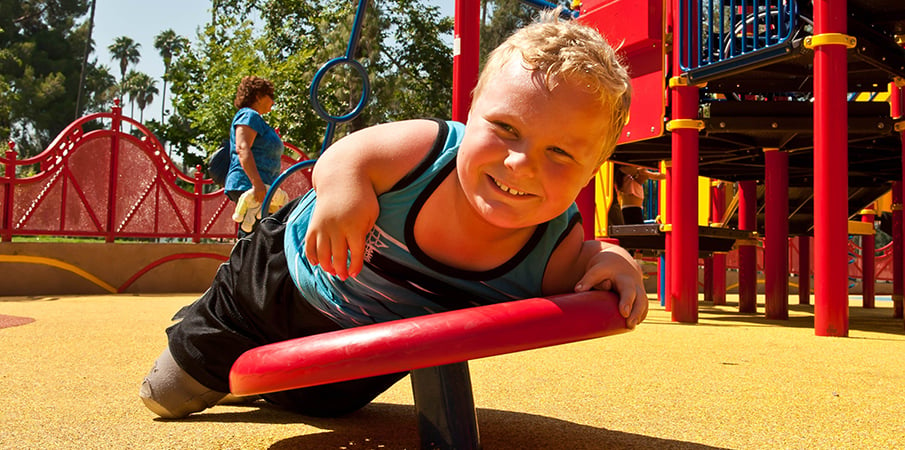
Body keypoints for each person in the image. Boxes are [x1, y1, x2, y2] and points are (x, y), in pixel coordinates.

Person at [139, 9, 648, 420]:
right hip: (278, 283)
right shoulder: (425, 153)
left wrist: (615, 257)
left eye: (560, 154)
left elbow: (586, 267)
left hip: (364, 352)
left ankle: (259, 385)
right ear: (468, 115)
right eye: (505, 129)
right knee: (168, 394)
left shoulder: (551, 251)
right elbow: (346, 155)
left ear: (592, 171)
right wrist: (344, 194)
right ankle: (202, 341)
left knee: (319, 405)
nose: (521, 164)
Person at [224, 75, 285, 237]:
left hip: (261, 187)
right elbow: (242, 148)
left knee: (259, 237)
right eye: (270, 96)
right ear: (258, 96)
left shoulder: (256, 119)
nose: (273, 101)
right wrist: (256, 183)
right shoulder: (249, 115)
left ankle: (246, 262)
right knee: (252, 237)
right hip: (250, 186)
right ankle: (240, 263)